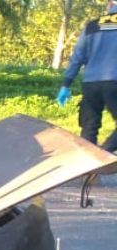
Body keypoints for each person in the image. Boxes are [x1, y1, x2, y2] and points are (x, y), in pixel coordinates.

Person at [58, 0, 117, 151]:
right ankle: (105, 155)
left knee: (89, 126)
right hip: (114, 81)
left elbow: (77, 56)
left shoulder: (92, 26)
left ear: (109, 5)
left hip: (90, 83)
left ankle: (89, 169)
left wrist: (66, 84)